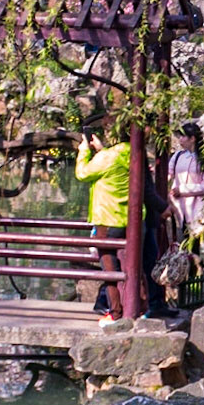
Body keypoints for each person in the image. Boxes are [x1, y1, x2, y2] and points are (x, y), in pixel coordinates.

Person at [75, 127, 130, 325]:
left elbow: (82, 173)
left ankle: (115, 312)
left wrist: (84, 150)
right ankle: (138, 306)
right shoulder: (131, 153)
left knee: (109, 268)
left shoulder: (108, 157)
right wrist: (101, 150)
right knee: (132, 266)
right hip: (127, 218)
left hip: (107, 219)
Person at [166, 121, 204, 246]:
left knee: (195, 243)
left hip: (197, 207)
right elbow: (168, 174)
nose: (180, 140)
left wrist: (182, 189)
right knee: (180, 242)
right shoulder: (178, 156)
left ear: (192, 138)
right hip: (178, 206)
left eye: (183, 136)